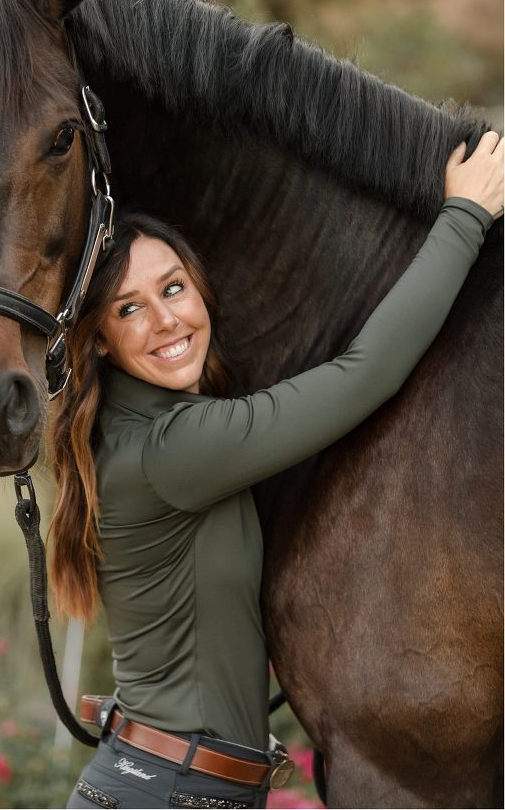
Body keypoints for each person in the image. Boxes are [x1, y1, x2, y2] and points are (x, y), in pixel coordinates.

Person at [47, 134, 503, 810]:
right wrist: (464, 216)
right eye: (128, 308)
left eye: (173, 288)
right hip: (170, 793)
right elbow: (364, 376)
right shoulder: (172, 449)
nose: (166, 318)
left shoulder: (133, 429)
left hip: (168, 785)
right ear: (102, 343)